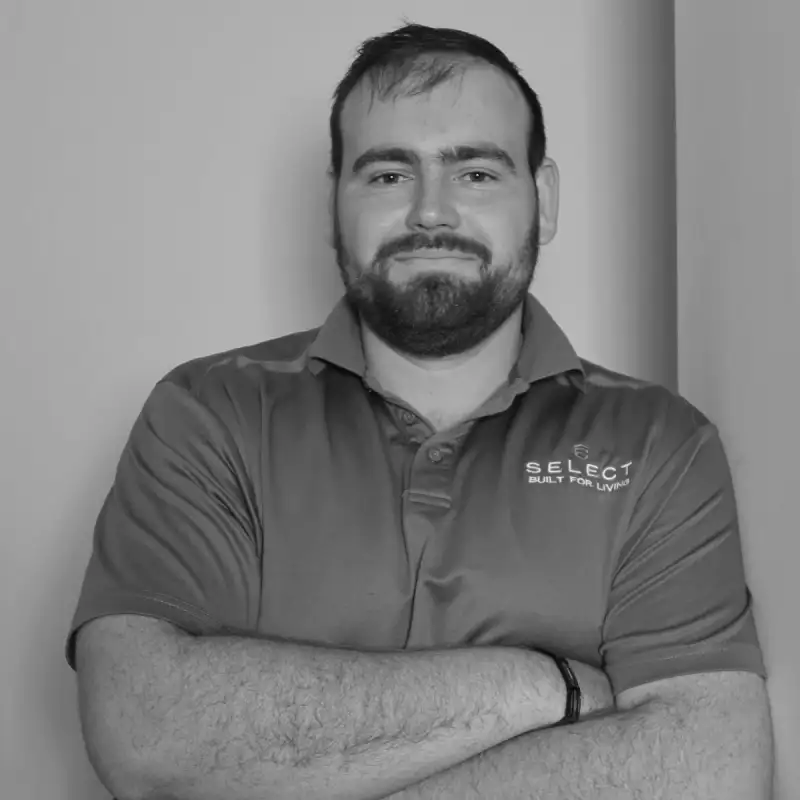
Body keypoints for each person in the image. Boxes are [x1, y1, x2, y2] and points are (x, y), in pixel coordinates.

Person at [68, 22, 773, 800]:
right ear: (333, 200)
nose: (430, 214)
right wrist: (549, 690)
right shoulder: (209, 414)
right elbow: (147, 731)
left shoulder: (658, 444)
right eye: (387, 175)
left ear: (542, 200)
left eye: (475, 173)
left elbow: (711, 765)